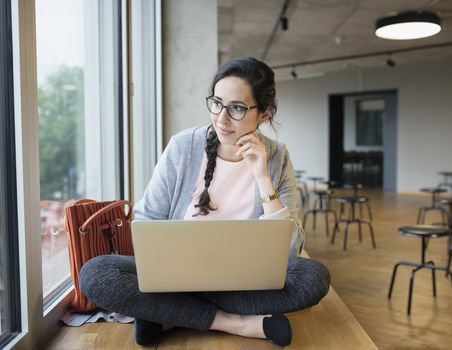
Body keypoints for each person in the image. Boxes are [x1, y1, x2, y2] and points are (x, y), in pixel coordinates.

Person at [79, 57, 331, 347]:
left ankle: (168, 314)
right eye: (217, 103)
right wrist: (173, 268)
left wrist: (262, 177)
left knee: (314, 277)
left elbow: (290, 252)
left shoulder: (277, 156)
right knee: (96, 273)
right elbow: (148, 219)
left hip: (243, 280)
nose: (222, 119)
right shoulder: (183, 146)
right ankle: (237, 323)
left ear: (264, 113)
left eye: (237, 108)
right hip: (175, 275)